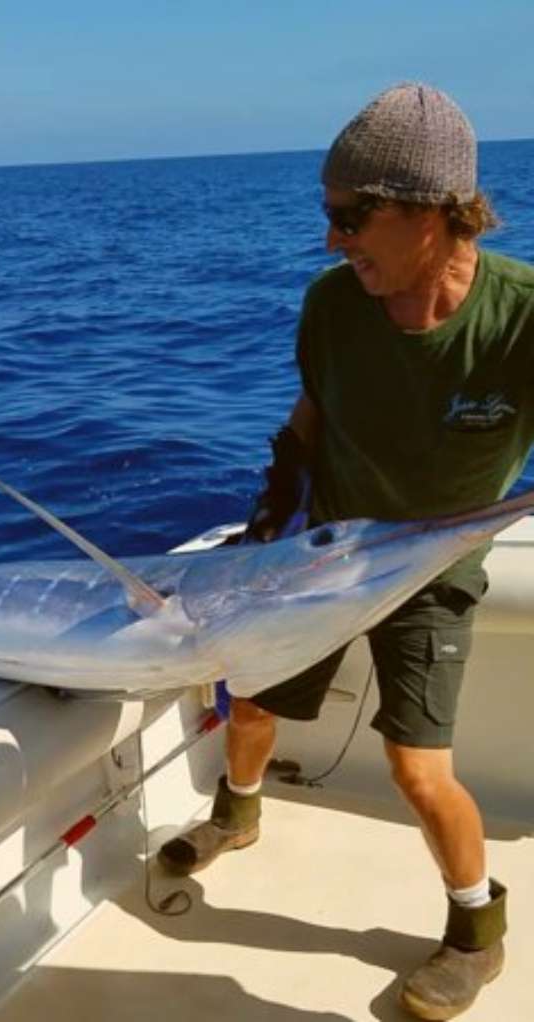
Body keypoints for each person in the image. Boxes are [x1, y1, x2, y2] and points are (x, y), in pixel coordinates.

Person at [159, 83, 534, 1021]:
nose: (334, 239)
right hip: (320, 557)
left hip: (432, 567)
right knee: (248, 703)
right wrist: (273, 503)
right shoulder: (332, 304)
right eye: (330, 215)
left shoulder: (523, 316)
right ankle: (236, 816)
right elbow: (312, 416)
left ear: (434, 209)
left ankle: (474, 932)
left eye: (352, 215)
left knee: (418, 770)